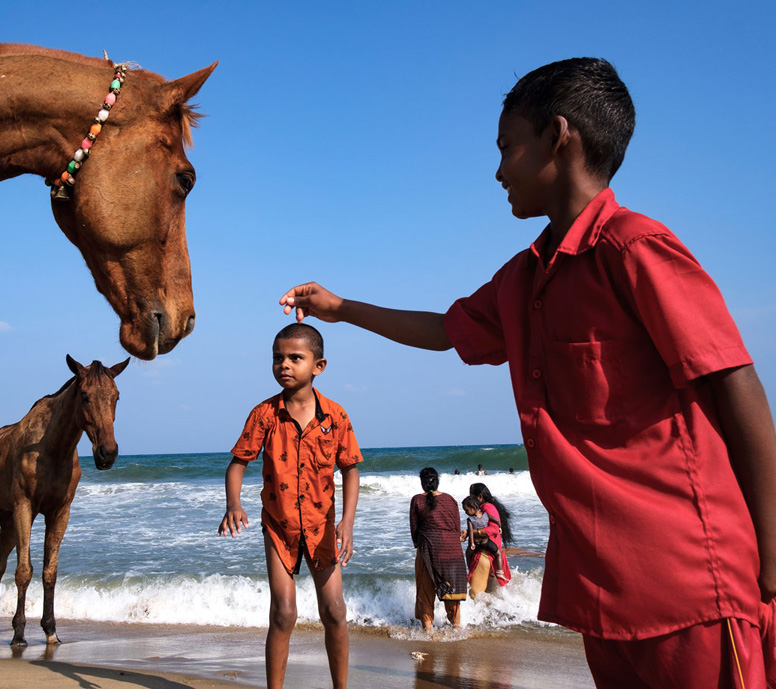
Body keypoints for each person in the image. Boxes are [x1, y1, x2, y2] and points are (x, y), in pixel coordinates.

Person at [279, 57, 776, 688]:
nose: (497, 169)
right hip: (606, 595)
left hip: (692, 588)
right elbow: (443, 330)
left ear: (558, 137)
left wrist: (772, 562)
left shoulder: (636, 250)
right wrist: (341, 309)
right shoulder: (524, 278)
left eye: (507, 147)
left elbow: (736, 384)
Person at [218, 323, 361, 689]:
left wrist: (347, 522)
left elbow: (350, 470)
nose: (285, 364)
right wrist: (233, 503)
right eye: (278, 357)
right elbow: (237, 463)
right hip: (278, 527)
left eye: (295, 358)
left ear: (319, 366)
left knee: (334, 611)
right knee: (283, 613)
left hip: (321, 526)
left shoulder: (336, 417)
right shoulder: (264, 414)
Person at [410, 467, 468, 628]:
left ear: (422, 482)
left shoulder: (417, 500)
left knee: (425, 593)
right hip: (453, 552)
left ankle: (428, 632)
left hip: (429, 550)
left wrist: (418, 544)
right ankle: (456, 629)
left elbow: (414, 529)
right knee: (453, 595)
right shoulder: (450, 499)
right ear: (437, 481)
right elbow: (456, 527)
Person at [464, 484, 511, 593]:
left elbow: (494, 528)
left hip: (484, 555)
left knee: (474, 595)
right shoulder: (487, 508)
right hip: (489, 554)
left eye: (472, 497)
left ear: (480, 497)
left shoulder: (486, 508)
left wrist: (469, 532)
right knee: (486, 594)